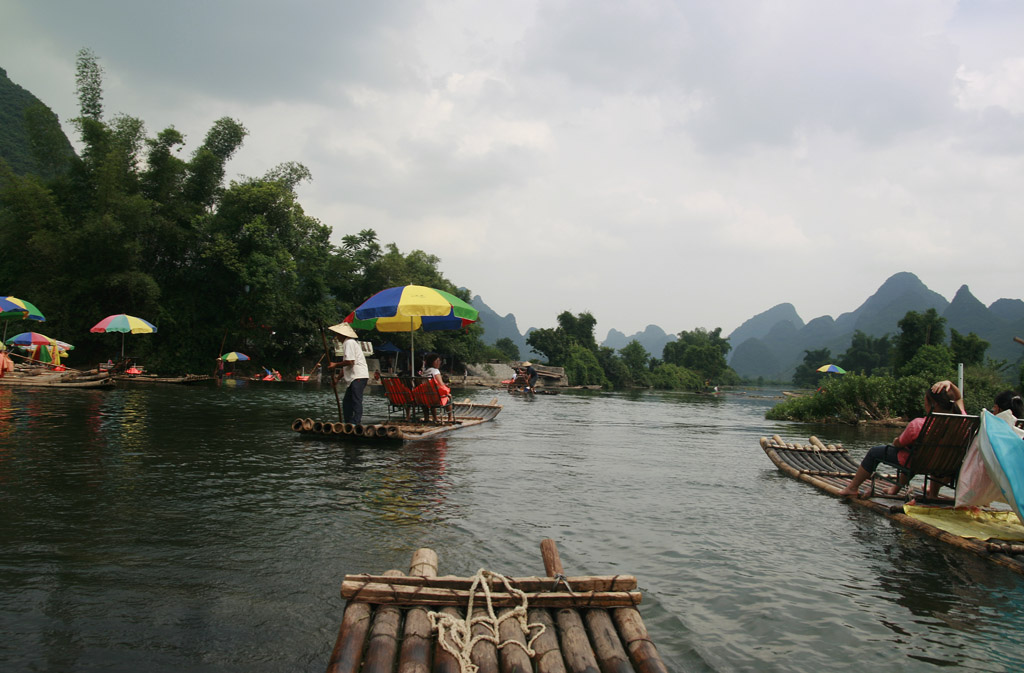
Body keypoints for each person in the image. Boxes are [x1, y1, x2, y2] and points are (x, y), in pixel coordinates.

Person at [838, 380, 966, 498]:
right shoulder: (963, 420)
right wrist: (949, 383)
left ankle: (852, 488)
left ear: (933, 404)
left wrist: (896, 441)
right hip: (945, 465)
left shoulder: (919, 425)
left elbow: (899, 443)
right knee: (926, 453)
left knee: (877, 452)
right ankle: (931, 494)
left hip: (918, 463)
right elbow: (959, 397)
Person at [956, 389, 1024, 508]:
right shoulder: (1015, 434)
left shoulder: (988, 428)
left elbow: (958, 400)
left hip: (976, 479)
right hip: (999, 482)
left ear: (997, 408)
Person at [327, 323, 369, 424]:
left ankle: (355, 423)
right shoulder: (348, 343)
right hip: (354, 378)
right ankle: (349, 423)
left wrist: (335, 365)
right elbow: (346, 366)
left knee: (356, 401)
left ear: (342, 335)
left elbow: (350, 362)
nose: (336, 337)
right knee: (347, 403)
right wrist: (337, 378)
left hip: (358, 376)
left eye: (337, 334)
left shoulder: (349, 342)